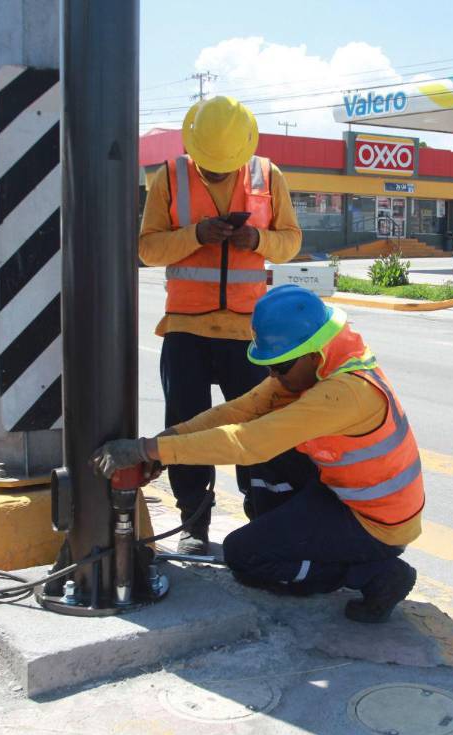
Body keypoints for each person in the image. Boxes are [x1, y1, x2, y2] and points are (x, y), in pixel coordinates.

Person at [92, 286, 424, 624]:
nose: (274, 376)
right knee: (268, 443)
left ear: (314, 354)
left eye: (280, 365)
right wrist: (165, 442)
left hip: (376, 524)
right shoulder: (321, 365)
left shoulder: (346, 392)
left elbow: (248, 443)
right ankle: (285, 537)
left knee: (245, 558)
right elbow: (239, 411)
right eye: (270, 367)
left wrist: (147, 450)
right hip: (343, 496)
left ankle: (374, 573)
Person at [138, 96, 302, 556]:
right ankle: (193, 524)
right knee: (187, 431)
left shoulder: (268, 175)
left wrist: (257, 239)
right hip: (186, 329)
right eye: (208, 169)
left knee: (256, 431)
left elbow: (290, 241)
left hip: (249, 334)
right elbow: (148, 249)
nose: (213, 175)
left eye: (222, 169)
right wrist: (196, 235)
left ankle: (264, 522)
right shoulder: (169, 177)